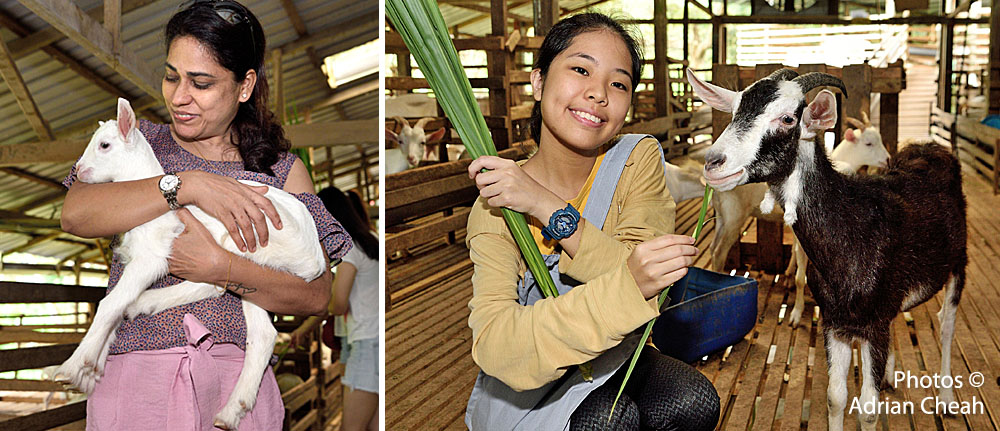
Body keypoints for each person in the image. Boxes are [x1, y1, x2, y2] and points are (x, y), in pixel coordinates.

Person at [59, 1, 350, 429]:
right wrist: (186, 184)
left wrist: (221, 267)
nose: (179, 97)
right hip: (139, 382)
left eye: (201, 83)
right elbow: (75, 214)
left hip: (234, 383)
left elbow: (315, 294)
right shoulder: (142, 144)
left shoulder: (280, 172)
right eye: (171, 76)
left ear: (244, 85)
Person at [463, 13, 720, 430]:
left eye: (618, 83)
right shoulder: (496, 203)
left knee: (693, 401)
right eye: (580, 69)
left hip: (617, 349)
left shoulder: (635, 160)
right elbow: (496, 345)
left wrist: (547, 206)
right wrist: (630, 284)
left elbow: (649, 284)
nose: (598, 93)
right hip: (536, 370)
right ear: (539, 81)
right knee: (608, 421)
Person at [290, 186, 379, 431]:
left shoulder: (349, 250)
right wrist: (307, 327)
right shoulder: (369, 242)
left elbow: (338, 305)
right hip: (372, 339)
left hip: (366, 344)